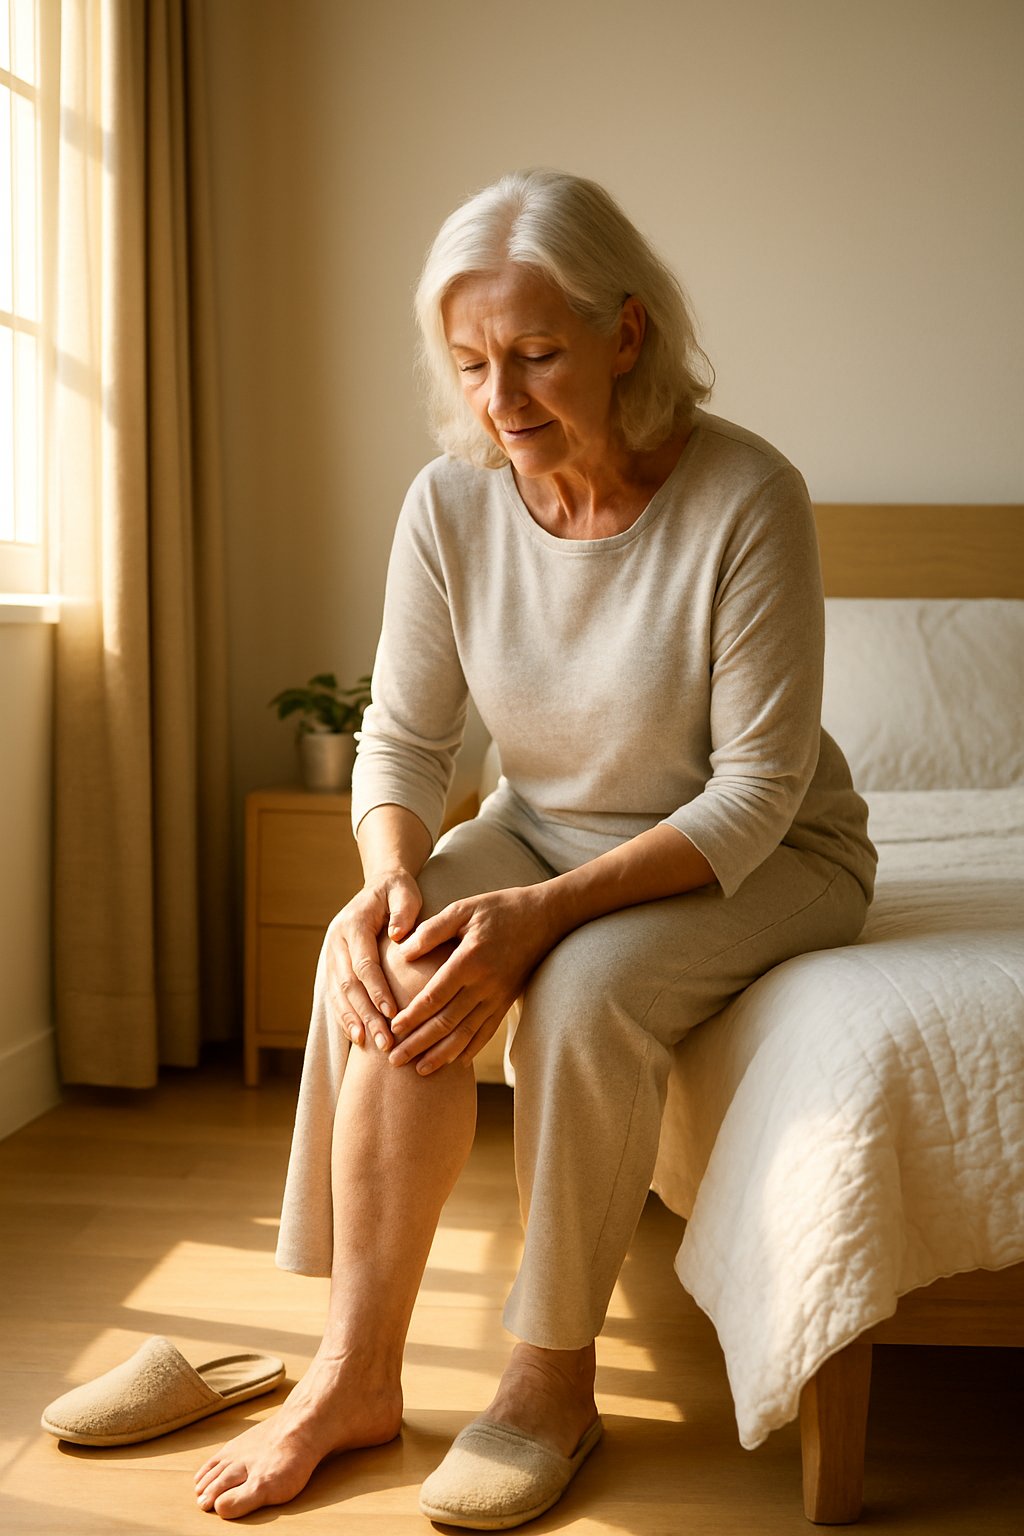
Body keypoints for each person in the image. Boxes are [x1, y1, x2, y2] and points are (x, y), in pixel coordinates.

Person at [194, 169, 876, 1527]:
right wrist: (390, 877)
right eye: (471, 363)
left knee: (586, 992)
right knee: (398, 955)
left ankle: (550, 1385)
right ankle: (354, 1373)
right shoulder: (449, 507)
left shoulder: (751, 496)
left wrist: (548, 915)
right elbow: (401, 742)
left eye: (535, 355)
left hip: (769, 850)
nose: (500, 400)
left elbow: (755, 790)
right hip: (544, 819)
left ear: (628, 333)